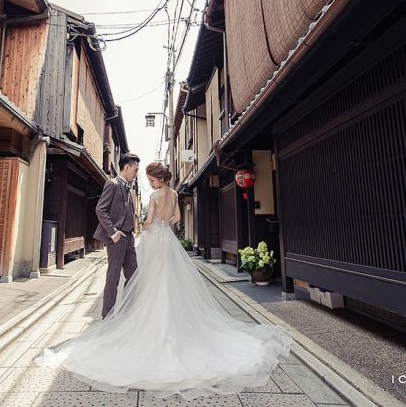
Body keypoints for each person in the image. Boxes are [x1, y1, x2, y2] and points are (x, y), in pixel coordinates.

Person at [39, 162, 292, 400]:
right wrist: (164, 223)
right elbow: (178, 220)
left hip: (155, 242)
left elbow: (147, 223)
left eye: (150, 179)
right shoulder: (172, 194)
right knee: (169, 283)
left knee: (151, 282)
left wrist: (148, 225)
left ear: (158, 178)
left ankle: (148, 323)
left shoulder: (155, 196)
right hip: (168, 242)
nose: (149, 184)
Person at [93, 152, 140, 318]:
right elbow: (100, 209)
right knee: (113, 277)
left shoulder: (127, 187)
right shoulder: (112, 183)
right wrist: (113, 232)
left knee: (134, 275)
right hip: (117, 238)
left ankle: (128, 312)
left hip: (129, 238)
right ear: (127, 167)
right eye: (135, 169)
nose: (136, 173)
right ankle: (108, 316)